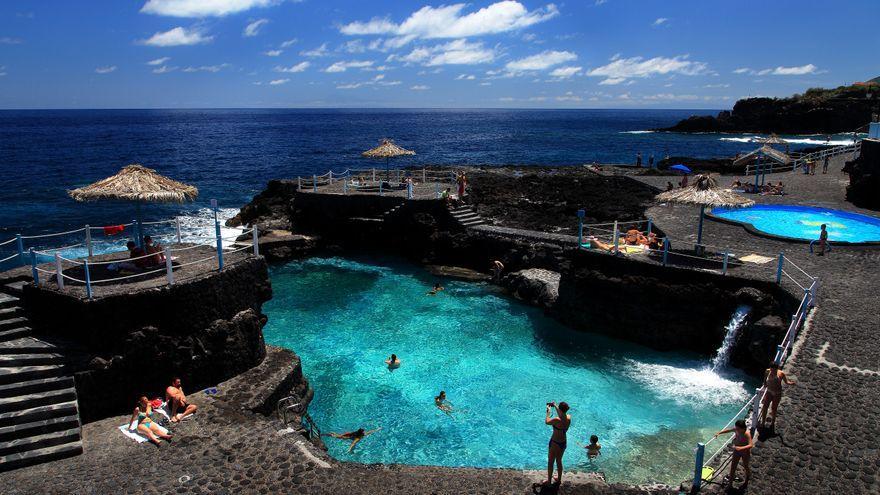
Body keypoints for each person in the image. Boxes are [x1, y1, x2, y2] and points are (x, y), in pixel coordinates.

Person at [713, 419, 753, 486]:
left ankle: (748, 477)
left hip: (745, 452)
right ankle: (730, 483)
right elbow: (728, 430)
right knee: (733, 467)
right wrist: (719, 433)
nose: (736, 430)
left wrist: (740, 448)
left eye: (738, 429)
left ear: (743, 428)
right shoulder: (736, 429)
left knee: (746, 466)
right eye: (736, 428)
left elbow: (751, 445)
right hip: (737, 451)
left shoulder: (747, 433)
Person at [759, 363, 796, 427]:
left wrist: (791, 383)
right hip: (769, 391)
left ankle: (773, 422)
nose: (772, 371)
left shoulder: (781, 373)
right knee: (765, 407)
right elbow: (765, 378)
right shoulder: (767, 371)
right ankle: (763, 422)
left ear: (777, 369)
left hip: (777, 393)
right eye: (771, 369)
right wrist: (765, 383)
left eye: (774, 370)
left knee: (774, 408)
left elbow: (786, 382)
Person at [544, 401, 571, 486]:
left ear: (560, 409)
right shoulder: (569, 418)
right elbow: (562, 414)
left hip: (555, 442)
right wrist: (555, 405)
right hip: (563, 442)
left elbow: (547, 421)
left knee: (550, 462)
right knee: (559, 461)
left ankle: (549, 482)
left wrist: (548, 411)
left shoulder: (556, 420)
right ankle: (559, 480)